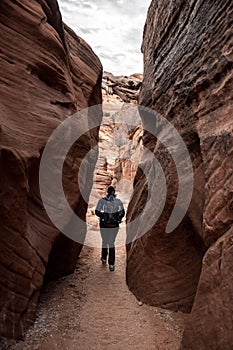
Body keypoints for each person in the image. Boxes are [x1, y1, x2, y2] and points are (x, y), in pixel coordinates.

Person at [95, 186, 125, 271]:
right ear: (114, 192)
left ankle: (104, 258)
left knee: (105, 241)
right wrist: (117, 219)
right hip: (114, 226)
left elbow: (97, 211)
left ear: (107, 192)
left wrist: (104, 216)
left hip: (104, 225)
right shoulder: (118, 201)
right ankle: (111, 264)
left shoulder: (102, 201)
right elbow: (122, 213)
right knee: (112, 243)